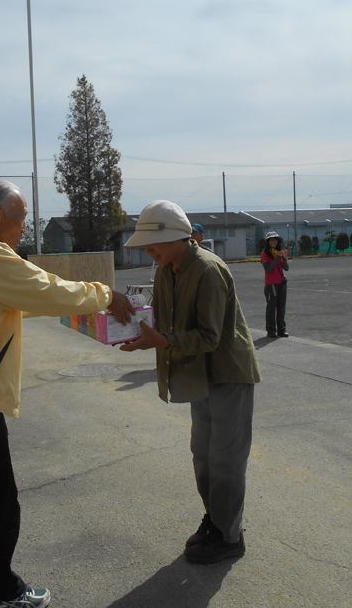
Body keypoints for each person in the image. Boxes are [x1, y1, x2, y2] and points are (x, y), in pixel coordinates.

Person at [0, 180, 134, 608]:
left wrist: (81, 303)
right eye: (21, 221)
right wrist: (105, 295)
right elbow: (43, 289)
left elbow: (23, 297)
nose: (23, 231)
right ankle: (2, 591)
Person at [119, 200, 261, 564]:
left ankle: (230, 538)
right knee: (204, 456)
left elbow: (210, 336)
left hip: (229, 374)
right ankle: (216, 521)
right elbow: (162, 318)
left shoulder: (209, 270)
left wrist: (162, 341)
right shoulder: (166, 269)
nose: (148, 250)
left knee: (226, 459)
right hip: (200, 373)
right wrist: (134, 327)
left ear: (177, 237)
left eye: (153, 243)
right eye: (145, 244)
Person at [260, 231, 289, 338]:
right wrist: (277, 257)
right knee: (271, 308)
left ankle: (282, 329)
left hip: (282, 283)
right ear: (267, 242)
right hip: (271, 284)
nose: (273, 242)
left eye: (275, 240)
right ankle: (271, 330)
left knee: (281, 308)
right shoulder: (265, 254)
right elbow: (268, 268)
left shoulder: (280, 252)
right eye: (271, 240)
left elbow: (286, 268)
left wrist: (283, 258)